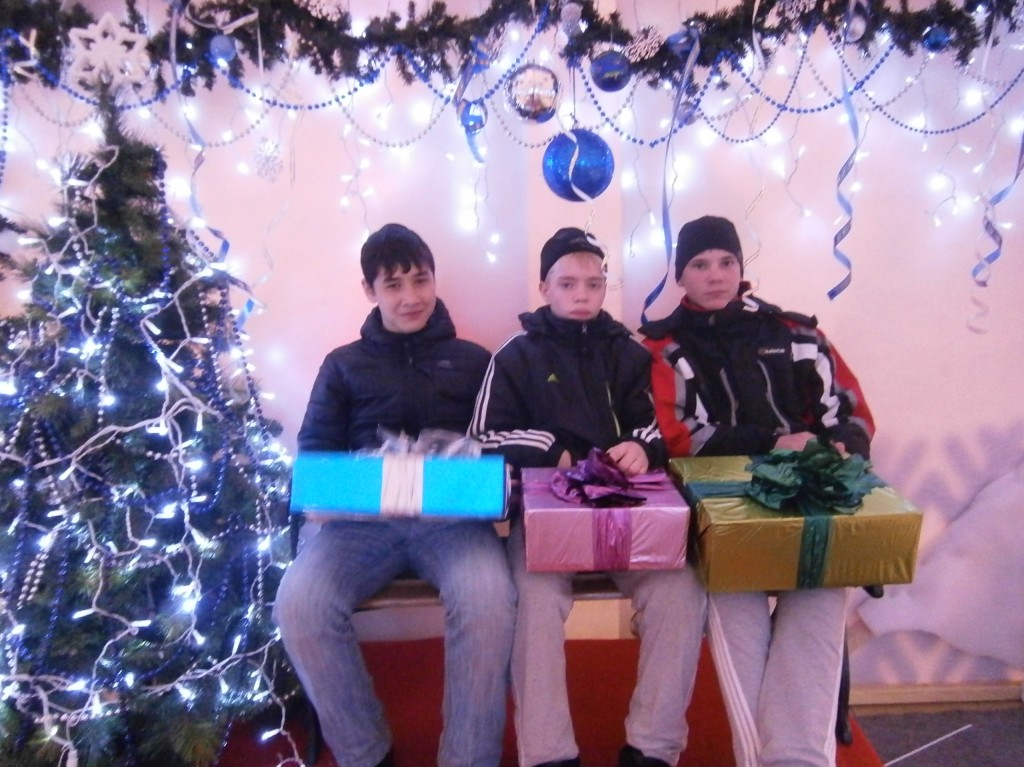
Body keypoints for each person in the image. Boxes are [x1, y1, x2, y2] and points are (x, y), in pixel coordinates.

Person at [273, 223, 517, 767]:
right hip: (359, 527)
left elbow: (503, 447)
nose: (411, 297)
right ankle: (365, 752)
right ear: (370, 290)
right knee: (300, 603)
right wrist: (363, 483)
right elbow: (314, 459)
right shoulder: (342, 364)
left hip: (453, 524)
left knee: (488, 599)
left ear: (435, 279)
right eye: (393, 285)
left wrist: (474, 477)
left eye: (420, 280)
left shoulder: (476, 360)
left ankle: (469, 757)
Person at [638, 215, 875, 767]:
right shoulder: (664, 347)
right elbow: (678, 436)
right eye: (700, 264)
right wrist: (774, 442)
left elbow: (850, 409)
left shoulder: (796, 333)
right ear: (680, 275)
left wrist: (841, 448)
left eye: (726, 262)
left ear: (741, 268)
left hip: (810, 506)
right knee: (740, 625)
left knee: (818, 613)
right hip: (724, 516)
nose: (715, 275)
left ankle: (798, 760)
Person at [469, 227, 707, 767]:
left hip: (628, 514)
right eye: (568, 283)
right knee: (533, 600)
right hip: (546, 519)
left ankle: (652, 748)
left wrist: (641, 447)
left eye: (594, 284)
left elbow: (662, 424)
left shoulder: (629, 351)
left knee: (681, 589)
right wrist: (550, 448)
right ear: (544, 287)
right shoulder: (515, 355)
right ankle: (548, 754)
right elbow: (480, 438)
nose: (582, 295)